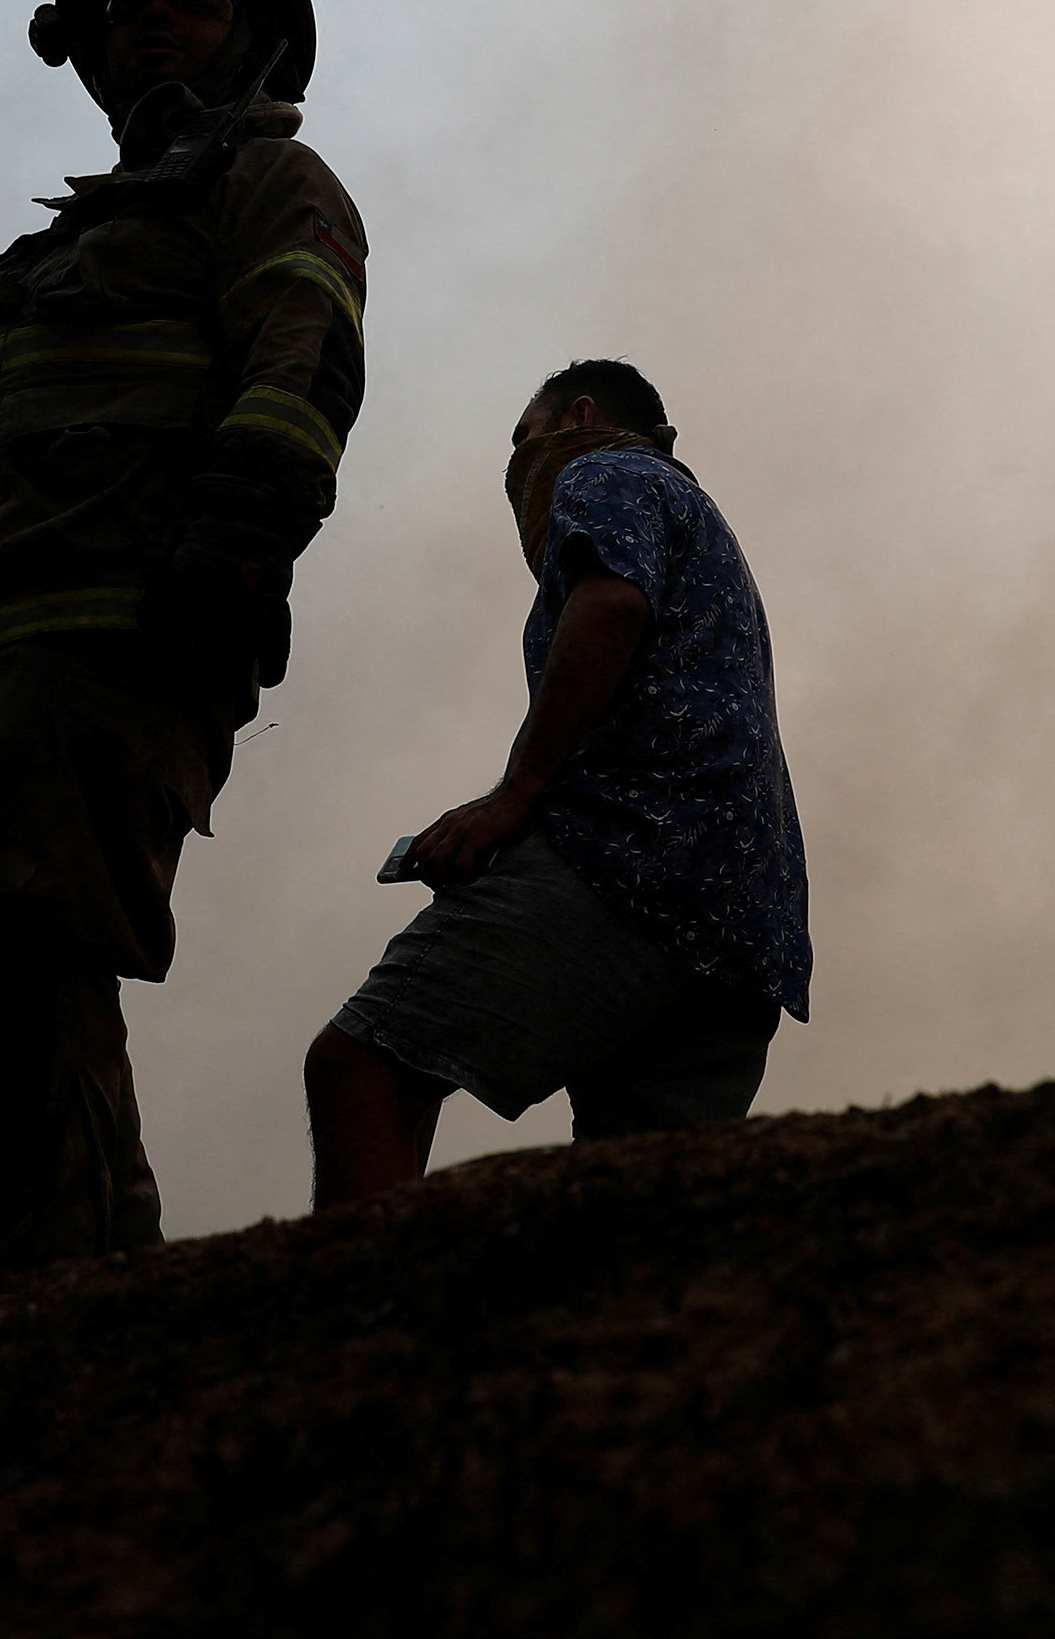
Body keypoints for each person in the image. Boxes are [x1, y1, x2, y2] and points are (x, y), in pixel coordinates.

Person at [0, 0, 367, 1293]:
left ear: (251, 24)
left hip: (122, 643)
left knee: (29, 959)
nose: (153, 20)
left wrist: (228, 561)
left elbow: (301, 363)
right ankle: (77, 1293)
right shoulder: (41, 262)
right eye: (128, 2)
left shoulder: (267, 184)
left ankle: (21, 1304)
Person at [307, 359, 809, 1204]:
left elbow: (610, 605)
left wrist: (514, 795)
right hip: (745, 920)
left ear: (578, 416)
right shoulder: (703, 525)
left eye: (523, 439)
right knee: (643, 1206)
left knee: (364, 1066)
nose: (518, 466)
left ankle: (364, 1330)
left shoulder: (606, 469)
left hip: (631, 852)